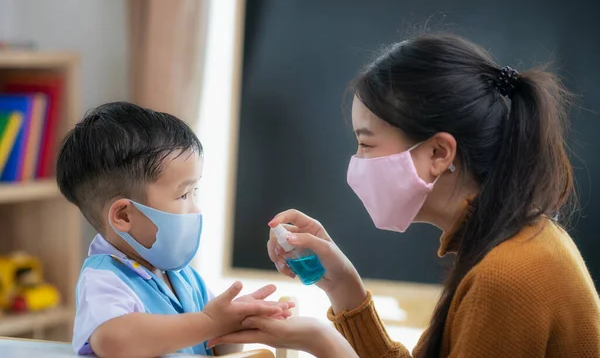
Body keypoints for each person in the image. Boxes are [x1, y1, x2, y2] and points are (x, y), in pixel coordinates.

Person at [209, 34, 600, 357]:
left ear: (438, 153)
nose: (356, 164)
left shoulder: (506, 275)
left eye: (367, 144)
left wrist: (325, 344)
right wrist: (343, 285)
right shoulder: (511, 242)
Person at [57, 102, 293, 357]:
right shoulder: (104, 279)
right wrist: (210, 322)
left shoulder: (183, 277)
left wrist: (235, 324)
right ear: (125, 216)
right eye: (183, 195)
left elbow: (216, 349)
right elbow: (114, 341)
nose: (195, 210)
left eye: (195, 192)